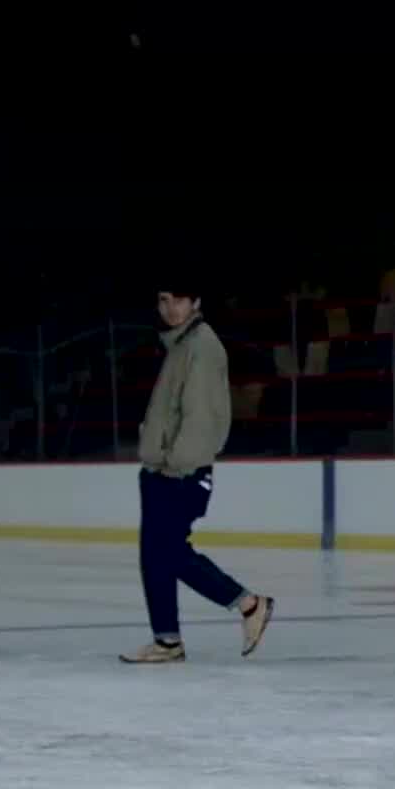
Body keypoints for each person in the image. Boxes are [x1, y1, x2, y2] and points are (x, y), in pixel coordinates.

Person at [122, 284, 274, 663]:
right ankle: (167, 640)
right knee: (156, 556)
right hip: (162, 469)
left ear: (197, 303)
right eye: (163, 299)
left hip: (180, 472)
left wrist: (175, 462)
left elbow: (201, 417)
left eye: (179, 299)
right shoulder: (180, 345)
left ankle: (249, 604)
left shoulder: (202, 347)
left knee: (169, 553)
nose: (170, 308)